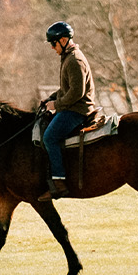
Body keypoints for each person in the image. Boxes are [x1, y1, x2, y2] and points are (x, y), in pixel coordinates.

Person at [39, 21, 96, 201]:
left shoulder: (74, 60)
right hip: (71, 106)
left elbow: (76, 93)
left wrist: (56, 105)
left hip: (78, 110)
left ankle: (59, 183)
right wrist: (51, 98)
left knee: (49, 137)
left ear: (63, 40)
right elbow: (66, 88)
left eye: (53, 43)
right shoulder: (68, 57)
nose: (51, 47)